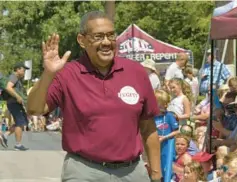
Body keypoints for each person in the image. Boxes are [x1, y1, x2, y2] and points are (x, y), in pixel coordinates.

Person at [27, 11, 161, 182]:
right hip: (84, 171)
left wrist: (156, 174)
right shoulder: (67, 73)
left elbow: (148, 128)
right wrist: (48, 74)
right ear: (81, 40)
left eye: (110, 35)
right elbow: (35, 109)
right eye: (98, 36)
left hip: (132, 172)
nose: (106, 42)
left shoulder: (136, 72)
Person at [1, 62, 29, 150]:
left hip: (15, 103)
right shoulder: (13, 77)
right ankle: (18, 144)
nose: (24, 71)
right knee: (20, 122)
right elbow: (8, 87)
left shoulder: (17, 78)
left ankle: (5, 135)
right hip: (14, 103)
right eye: (23, 70)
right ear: (17, 69)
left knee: (23, 121)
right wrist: (18, 97)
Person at [154, 90, 179, 179]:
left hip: (167, 145)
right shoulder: (152, 116)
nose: (164, 106)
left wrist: (165, 137)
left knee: (167, 167)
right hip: (156, 146)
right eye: (161, 104)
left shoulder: (169, 116)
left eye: (165, 103)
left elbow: (177, 131)